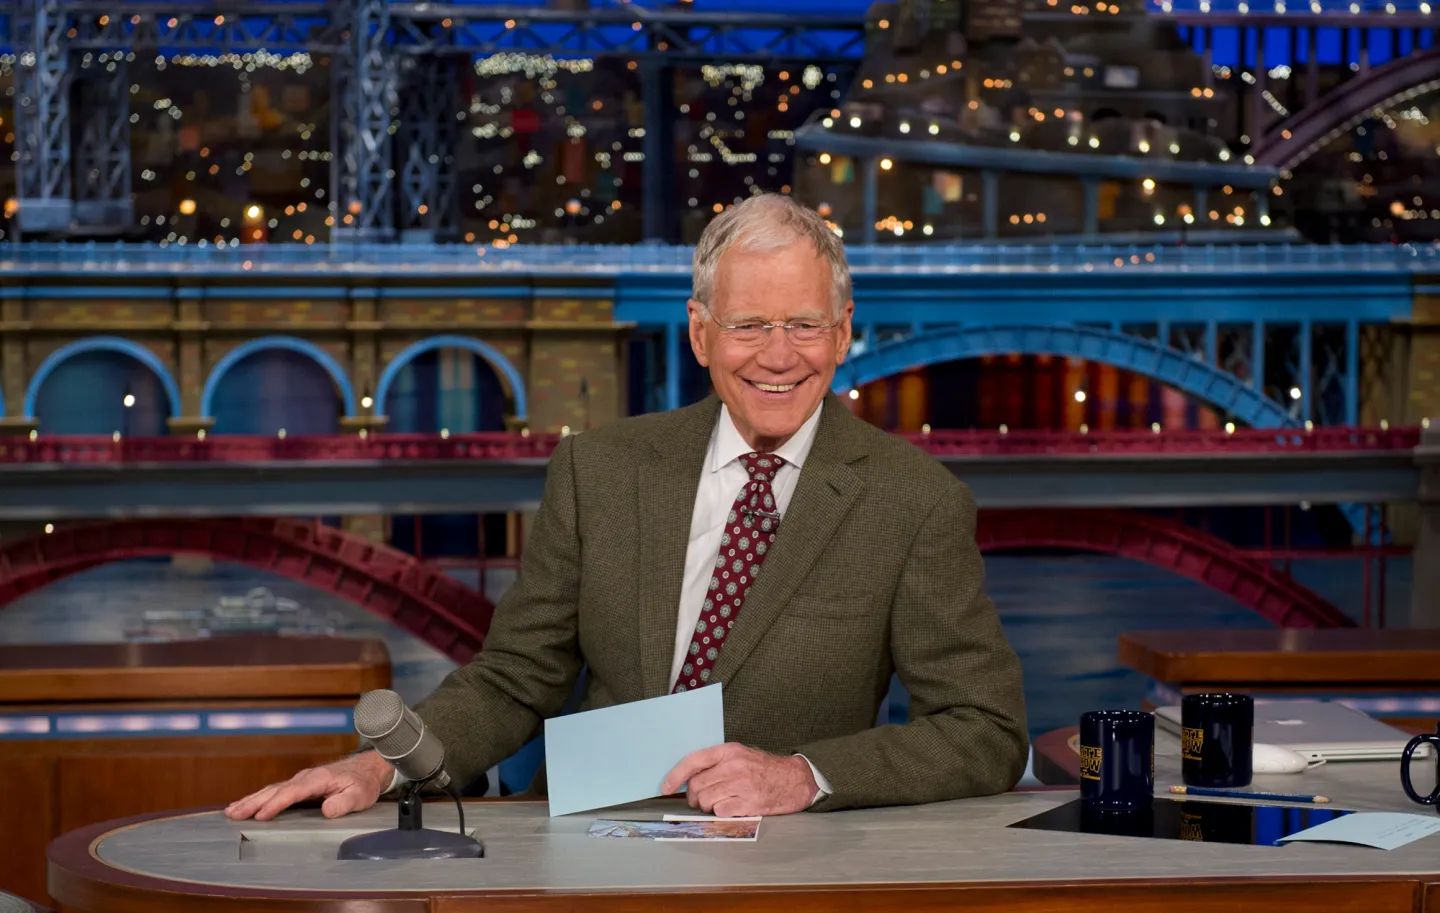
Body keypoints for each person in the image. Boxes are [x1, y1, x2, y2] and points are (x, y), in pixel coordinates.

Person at [227, 194, 1027, 824]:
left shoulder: (912, 501)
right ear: (700, 333)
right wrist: (385, 764)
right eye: (748, 325)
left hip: (784, 860)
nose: (779, 355)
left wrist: (805, 776)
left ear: (844, 331)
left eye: (804, 325)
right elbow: (514, 679)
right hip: (576, 839)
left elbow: (985, 728)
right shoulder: (598, 470)